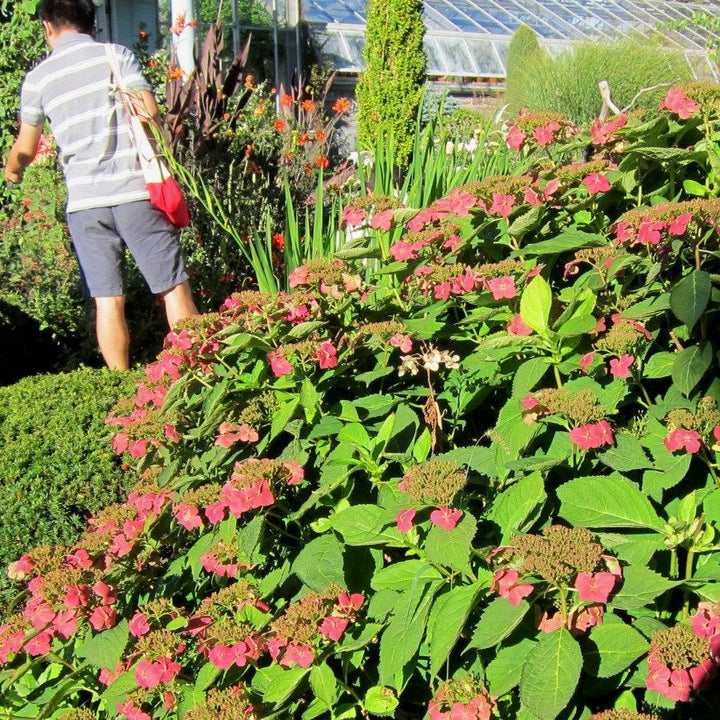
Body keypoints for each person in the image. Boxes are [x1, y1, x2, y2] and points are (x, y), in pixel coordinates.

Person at [4, 0, 198, 370]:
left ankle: (121, 391)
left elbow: (25, 149)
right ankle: (197, 371)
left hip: (86, 204)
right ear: (91, 22)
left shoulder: (39, 79)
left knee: (108, 300)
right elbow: (149, 111)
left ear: (48, 26)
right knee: (172, 286)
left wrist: (12, 171)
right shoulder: (115, 55)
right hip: (136, 193)